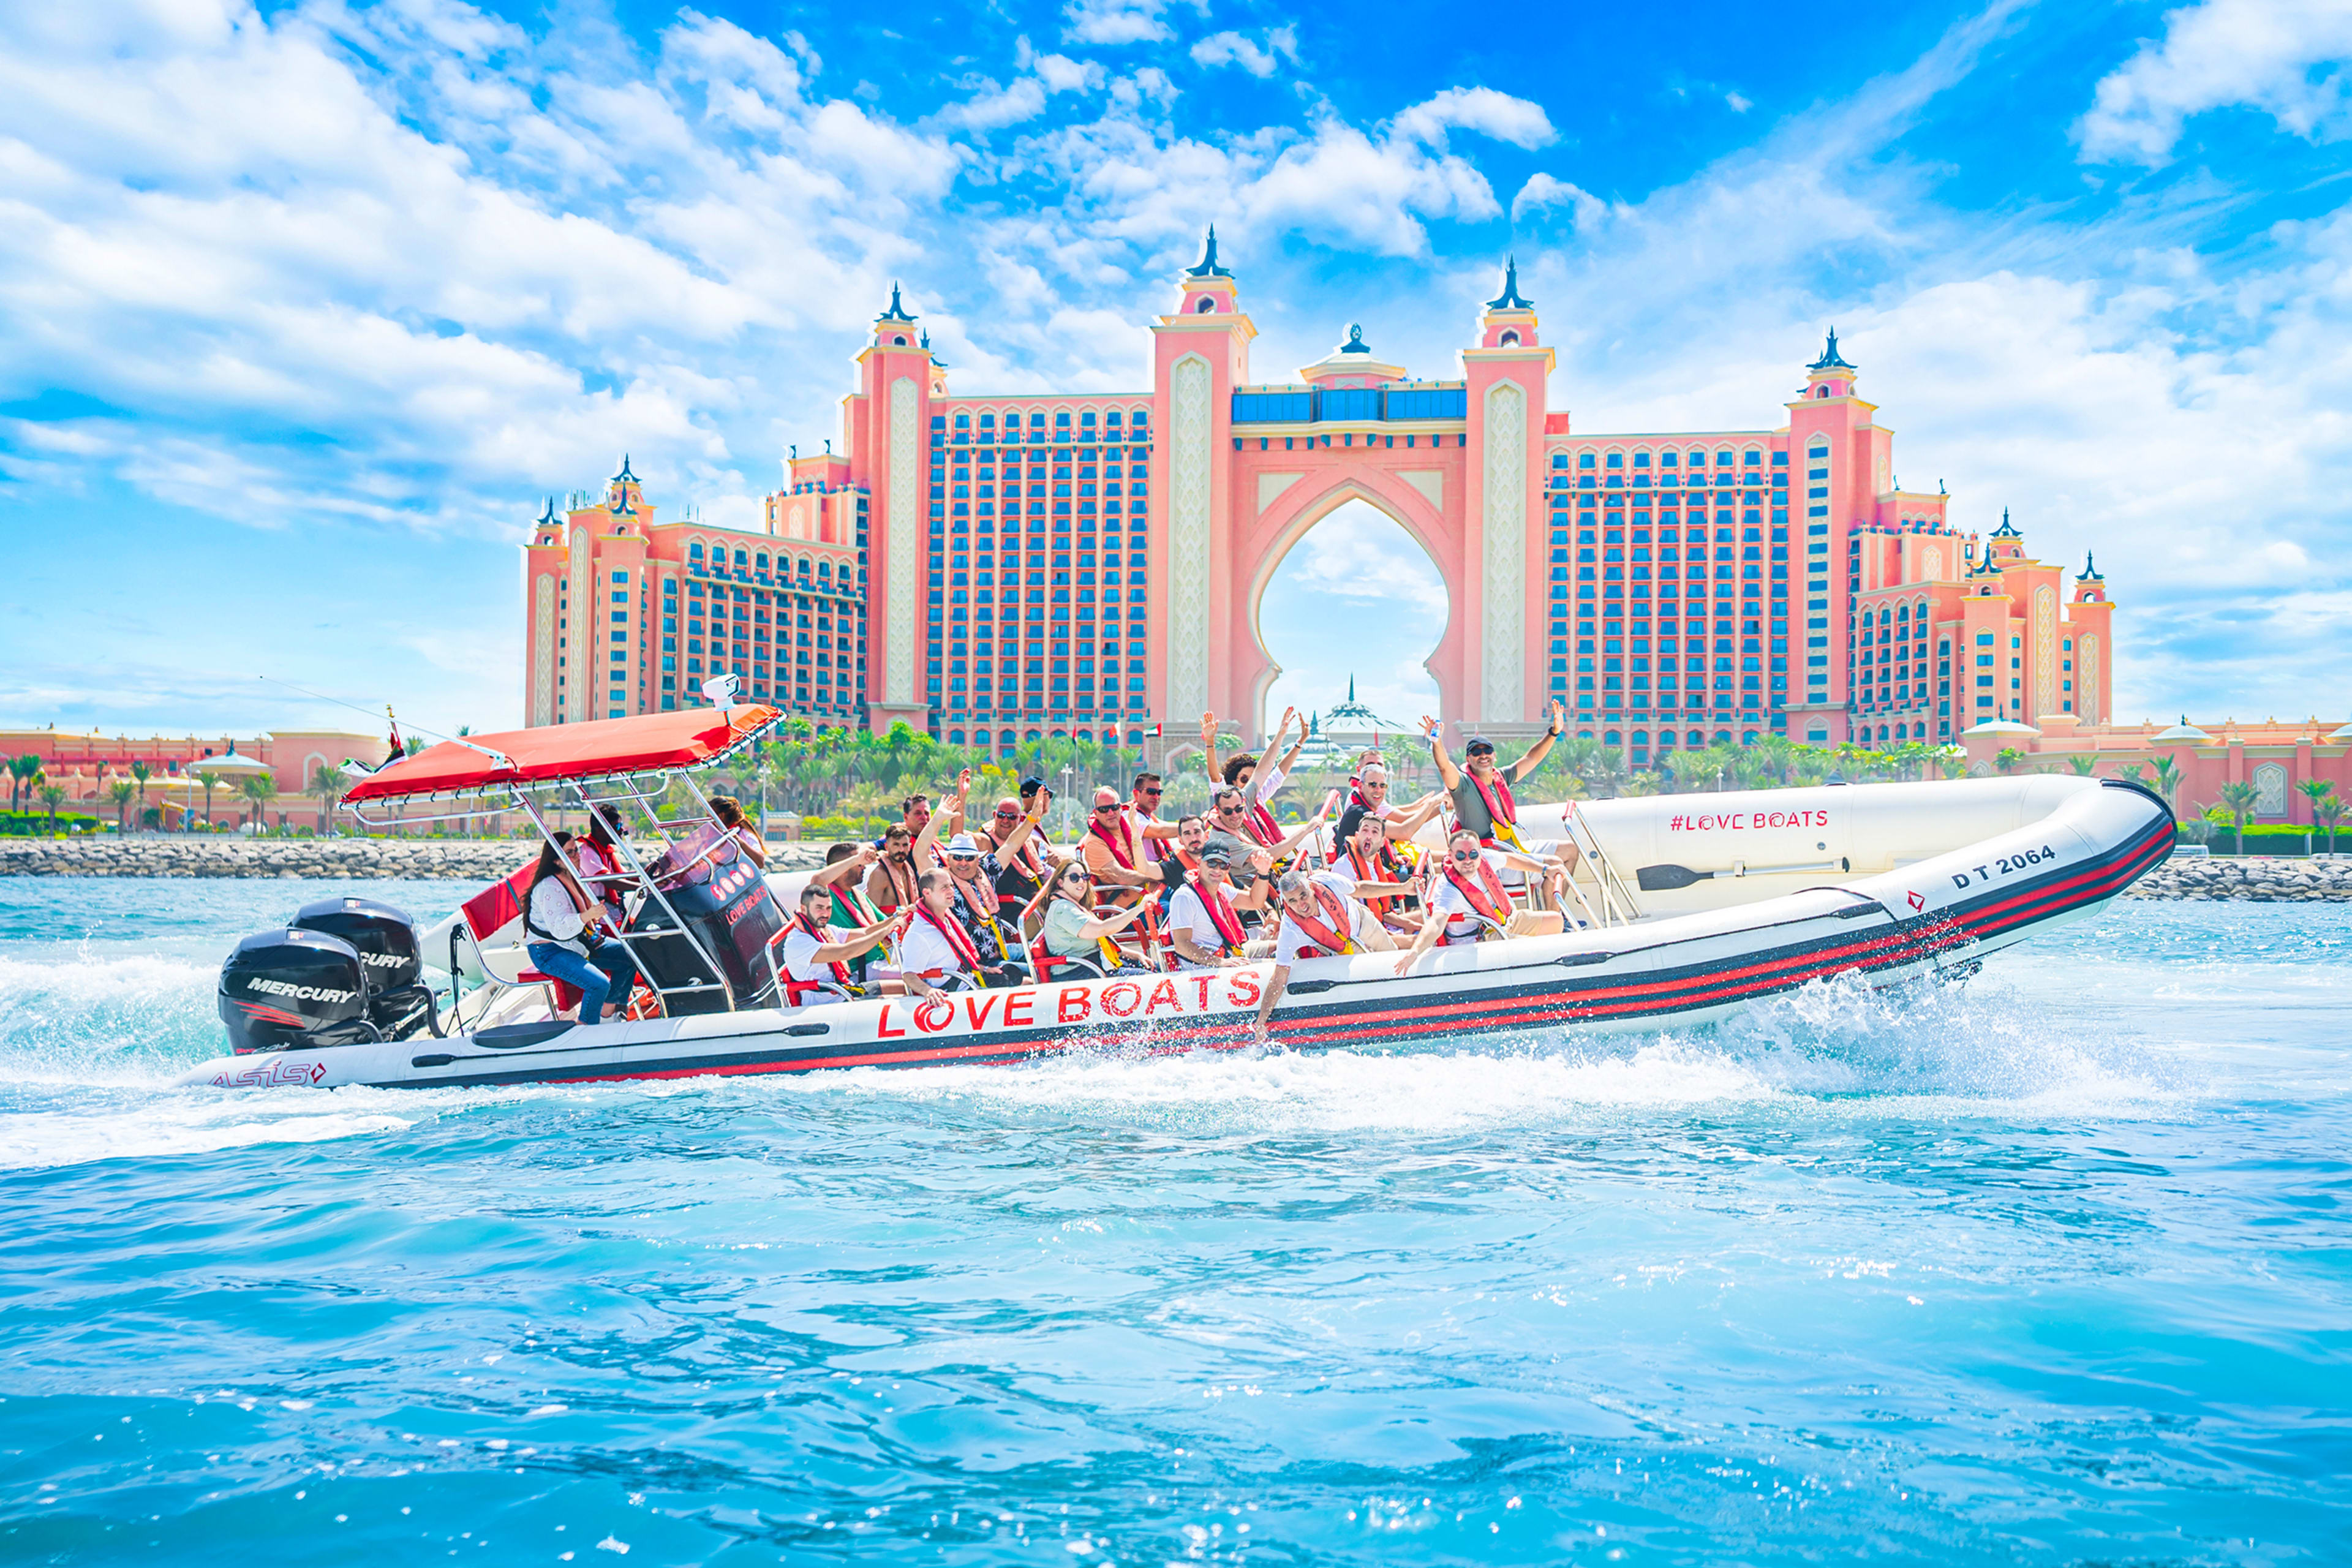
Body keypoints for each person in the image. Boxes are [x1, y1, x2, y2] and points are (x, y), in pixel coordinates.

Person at [1420, 704, 1580, 883]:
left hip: (1511, 848)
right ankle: (1555, 912)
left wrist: (1555, 732)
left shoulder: (1502, 777)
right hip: (1489, 860)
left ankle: (1554, 911)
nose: (1483, 755)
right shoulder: (1462, 784)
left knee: (1570, 850)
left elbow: (1531, 758)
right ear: (1468, 759)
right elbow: (1444, 767)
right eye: (1476, 752)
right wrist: (1436, 740)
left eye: (1487, 751)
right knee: (1555, 864)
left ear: (1494, 755)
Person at [1393, 829, 1568, 976]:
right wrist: (1414, 952)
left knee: (1556, 921)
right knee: (1540, 950)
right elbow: (1437, 923)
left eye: (1473, 854)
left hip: (1506, 921)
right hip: (1481, 939)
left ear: (1479, 852)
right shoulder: (1448, 890)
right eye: (1461, 855)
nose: (1468, 860)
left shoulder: (1486, 859)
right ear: (1451, 856)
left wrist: (1545, 870)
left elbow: (1512, 860)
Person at [1252, 864, 1397, 1041]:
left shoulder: (1327, 881)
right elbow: (1280, 976)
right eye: (1293, 901)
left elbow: (1360, 888)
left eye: (1303, 896)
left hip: (1362, 923)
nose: (1301, 905)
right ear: (1286, 902)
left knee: (1393, 959)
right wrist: (1261, 1021)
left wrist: (1402, 888)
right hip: (1339, 951)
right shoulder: (1290, 930)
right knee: (1368, 980)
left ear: (1311, 889)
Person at [523, 834, 641, 1024]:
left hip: (579, 942)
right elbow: (560, 929)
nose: (577, 856)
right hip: (550, 950)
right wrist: (588, 915)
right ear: (556, 861)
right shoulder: (549, 888)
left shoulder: (575, 876)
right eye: (569, 853)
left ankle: (608, 1012)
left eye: (576, 850)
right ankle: (585, 1027)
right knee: (598, 984)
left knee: (631, 954)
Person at [778, 879, 905, 1006]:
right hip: (827, 1004)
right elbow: (846, 952)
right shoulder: (798, 943)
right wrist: (884, 932)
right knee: (901, 998)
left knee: (907, 987)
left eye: (828, 908)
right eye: (819, 908)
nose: (825, 914)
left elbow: (865, 932)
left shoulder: (825, 930)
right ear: (804, 909)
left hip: (844, 991)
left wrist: (895, 918)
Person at [1024, 861, 1150, 979]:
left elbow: (1104, 941)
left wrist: (1136, 955)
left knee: (1153, 968)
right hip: (1078, 972)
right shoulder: (1063, 910)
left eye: (1084, 877)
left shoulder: (1075, 906)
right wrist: (1138, 909)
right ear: (1060, 883)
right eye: (1074, 878)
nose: (1081, 882)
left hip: (1095, 964)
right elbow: (1102, 929)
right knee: (1148, 978)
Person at [1164, 845, 1267, 969]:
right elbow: (1181, 945)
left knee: (1281, 945)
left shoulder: (1222, 889)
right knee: (1275, 963)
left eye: (1223, 865)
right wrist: (1219, 962)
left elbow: (1255, 902)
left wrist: (1263, 873)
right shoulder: (1185, 897)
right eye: (1212, 863)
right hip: (1204, 967)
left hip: (1229, 953)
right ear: (1199, 863)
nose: (1217, 870)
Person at [899, 868, 990, 993]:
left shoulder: (946, 919)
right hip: (953, 992)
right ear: (927, 893)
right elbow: (908, 975)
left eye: (952, 886)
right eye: (944, 887)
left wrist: (986, 970)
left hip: (969, 980)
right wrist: (928, 991)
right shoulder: (918, 933)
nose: (951, 891)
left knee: (1024, 980)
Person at [1335, 811, 1426, 936]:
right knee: (1423, 940)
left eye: (1375, 832)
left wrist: (1409, 925)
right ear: (1357, 836)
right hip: (1363, 934)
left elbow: (1384, 914)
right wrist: (1390, 935)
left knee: (1430, 914)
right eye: (1365, 831)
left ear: (1383, 842)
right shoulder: (1343, 866)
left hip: (1382, 925)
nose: (1369, 836)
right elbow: (1354, 919)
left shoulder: (1379, 869)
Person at [568, 804, 631, 929]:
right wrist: (646, 887)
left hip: (612, 913)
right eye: (617, 826)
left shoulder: (605, 852)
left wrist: (652, 878)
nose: (621, 830)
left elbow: (627, 878)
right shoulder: (587, 853)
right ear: (600, 829)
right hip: (598, 917)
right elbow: (610, 882)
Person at [865, 823, 921, 914]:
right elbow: (870, 914)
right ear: (887, 847)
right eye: (896, 845)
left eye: (905, 845)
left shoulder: (909, 871)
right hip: (890, 927)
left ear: (910, 847)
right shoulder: (880, 875)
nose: (901, 850)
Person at [707, 794, 767, 869]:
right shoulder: (714, 837)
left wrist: (738, 841)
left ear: (721, 816)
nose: (707, 820)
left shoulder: (744, 835)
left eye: (708, 815)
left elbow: (760, 863)